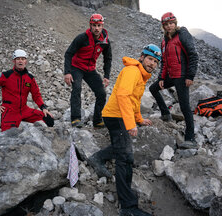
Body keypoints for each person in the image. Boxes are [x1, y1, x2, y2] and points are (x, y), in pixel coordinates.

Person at [88, 44, 161, 216]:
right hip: (116, 116)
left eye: (156, 62)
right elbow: (122, 95)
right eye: (150, 59)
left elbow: (134, 101)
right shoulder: (132, 71)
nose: (152, 64)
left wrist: (139, 119)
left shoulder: (141, 76)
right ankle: (128, 208)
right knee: (125, 157)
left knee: (121, 147)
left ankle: (97, 158)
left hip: (117, 115)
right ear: (142, 57)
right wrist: (130, 124)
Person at [149, 12, 199, 147]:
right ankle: (165, 114)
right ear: (163, 26)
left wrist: (190, 76)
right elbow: (164, 61)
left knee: (184, 107)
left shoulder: (182, 34)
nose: (169, 26)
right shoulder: (165, 40)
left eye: (171, 23)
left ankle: (190, 138)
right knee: (153, 88)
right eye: (166, 24)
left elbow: (193, 55)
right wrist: (161, 77)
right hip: (171, 76)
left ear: (175, 23)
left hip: (182, 77)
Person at [0, 49, 54, 131]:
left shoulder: (30, 78)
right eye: (18, 59)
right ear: (14, 61)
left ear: (26, 61)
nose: (20, 61)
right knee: (9, 135)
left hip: (24, 110)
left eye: (23, 59)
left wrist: (43, 108)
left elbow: (36, 95)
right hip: (10, 112)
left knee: (48, 119)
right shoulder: (6, 75)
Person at [64, 13, 112, 128]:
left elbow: (108, 59)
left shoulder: (105, 41)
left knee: (101, 93)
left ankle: (97, 120)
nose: (96, 28)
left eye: (99, 25)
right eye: (94, 25)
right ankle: (75, 118)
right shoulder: (82, 38)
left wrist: (106, 76)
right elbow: (68, 53)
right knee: (77, 88)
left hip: (90, 69)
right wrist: (67, 72)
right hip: (77, 67)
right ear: (90, 25)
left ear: (102, 26)